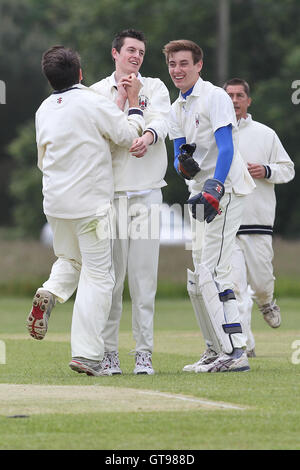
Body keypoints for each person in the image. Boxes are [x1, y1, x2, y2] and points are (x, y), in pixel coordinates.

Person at [26, 45, 145, 377]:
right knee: (99, 275)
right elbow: (126, 136)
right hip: (91, 205)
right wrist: (134, 106)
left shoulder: (44, 110)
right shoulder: (93, 102)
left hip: (55, 203)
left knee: (70, 261)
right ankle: (87, 354)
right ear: (80, 73)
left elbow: (41, 159)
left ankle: (49, 291)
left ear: (50, 79)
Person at [163, 39, 255, 373]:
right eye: (173, 64)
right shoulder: (176, 109)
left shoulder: (215, 96)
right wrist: (181, 164)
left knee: (214, 272)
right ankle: (215, 348)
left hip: (225, 190)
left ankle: (235, 352)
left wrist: (215, 184)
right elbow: (177, 155)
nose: (178, 70)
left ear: (198, 65)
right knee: (198, 276)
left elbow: (227, 147)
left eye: (184, 63)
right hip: (198, 195)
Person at [90, 29, 170, 375]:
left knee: (143, 281)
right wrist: (125, 103)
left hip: (148, 192)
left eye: (141, 51)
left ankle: (144, 354)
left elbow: (163, 122)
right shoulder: (95, 93)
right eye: (131, 51)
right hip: (112, 195)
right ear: (115, 53)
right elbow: (102, 134)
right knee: (111, 281)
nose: (136, 56)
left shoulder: (155, 87)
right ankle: (109, 354)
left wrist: (149, 136)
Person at [223, 77, 295, 356]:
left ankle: (267, 302)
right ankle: (245, 345)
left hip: (259, 222)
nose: (234, 101)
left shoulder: (265, 134)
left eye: (239, 95)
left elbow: (288, 169)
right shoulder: (216, 133)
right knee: (236, 289)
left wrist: (266, 170)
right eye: (229, 95)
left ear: (248, 100)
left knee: (261, 284)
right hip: (228, 224)